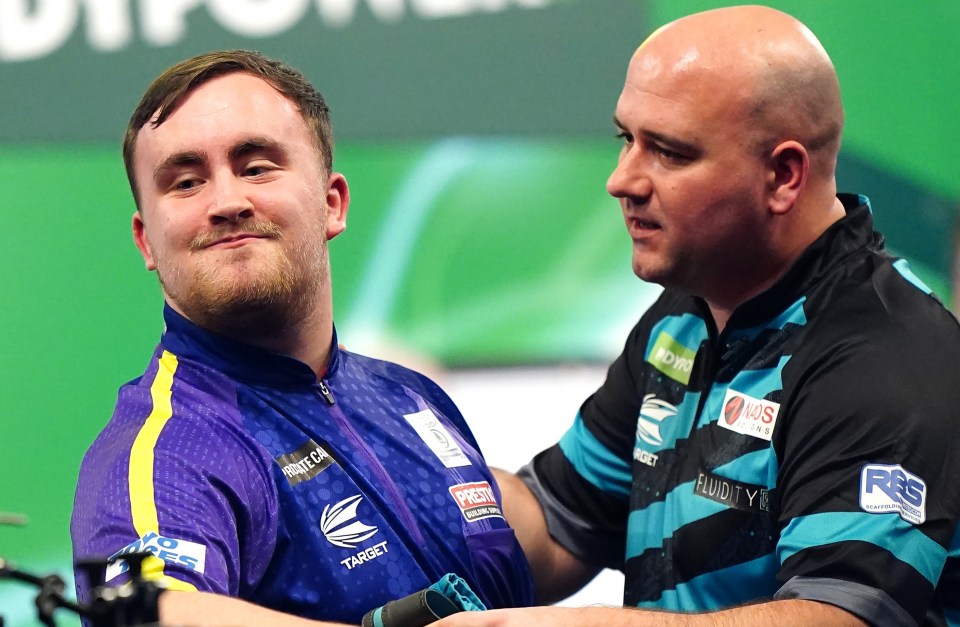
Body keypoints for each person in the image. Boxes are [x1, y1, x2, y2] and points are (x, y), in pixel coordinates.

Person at [436, 5, 960, 627]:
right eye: (626, 139)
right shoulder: (684, 314)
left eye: (670, 153)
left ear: (784, 175)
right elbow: (555, 525)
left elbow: (835, 617)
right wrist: (395, 484)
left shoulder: (887, 357)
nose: (621, 180)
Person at [70, 50, 533, 626]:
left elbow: (544, 548)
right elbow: (153, 617)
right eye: (186, 182)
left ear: (332, 203)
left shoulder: (414, 396)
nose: (227, 202)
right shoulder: (168, 450)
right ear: (146, 242)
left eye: (257, 167)